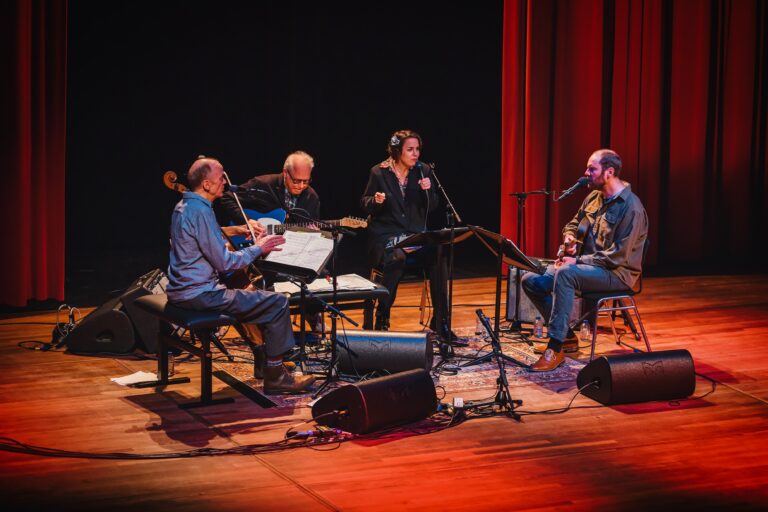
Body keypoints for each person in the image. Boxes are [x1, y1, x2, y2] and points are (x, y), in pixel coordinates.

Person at [165, 157, 316, 393]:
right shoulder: (201, 212)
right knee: (277, 302)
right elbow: (226, 264)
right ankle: (276, 376)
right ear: (206, 184)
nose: (225, 181)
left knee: (254, 298)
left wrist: (238, 230)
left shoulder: (185, 206)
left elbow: (204, 237)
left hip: (181, 291)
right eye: (220, 177)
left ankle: (266, 361)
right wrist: (260, 248)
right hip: (200, 295)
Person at [521, 149, 648, 371]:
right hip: (590, 267)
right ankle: (568, 337)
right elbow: (573, 223)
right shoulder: (594, 197)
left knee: (566, 273)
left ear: (609, 172)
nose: (586, 172)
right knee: (530, 280)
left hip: (617, 274)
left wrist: (577, 261)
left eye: (592, 168)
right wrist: (569, 237)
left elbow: (616, 257)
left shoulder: (632, 208)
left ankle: (556, 346)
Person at [360, 130, 450, 338]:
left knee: (439, 253)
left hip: (414, 237)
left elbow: (433, 205)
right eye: (410, 149)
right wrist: (376, 201)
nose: (415, 154)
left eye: (417, 149)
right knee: (396, 256)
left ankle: (441, 321)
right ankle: (382, 316)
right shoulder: (379, 172)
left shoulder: (423, 171)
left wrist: (428, 191)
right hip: (385, 239)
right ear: (397, 151)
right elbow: (365, 203)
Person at [217, 150, 320, 225]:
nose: (301, 186)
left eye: (306, 181)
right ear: (285, 173)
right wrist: (248, 221)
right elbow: (228, 198)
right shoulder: (263, 184)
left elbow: (310, 227)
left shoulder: (311, 197)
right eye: (296, 181)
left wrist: (313, 233)